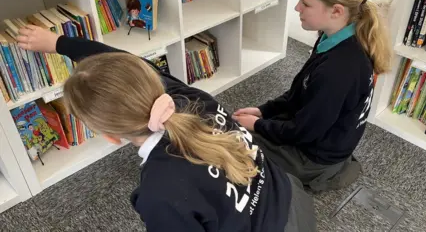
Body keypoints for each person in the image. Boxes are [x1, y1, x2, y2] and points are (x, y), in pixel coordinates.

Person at [15, 24, 316, 232]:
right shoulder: (190, 98)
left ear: (109, 135)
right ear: (149, 76)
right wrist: (59, 42)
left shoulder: (159, 194)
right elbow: (121, 60)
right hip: (290, 197)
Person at [233, 0, 393, 192]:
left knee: (234, 142)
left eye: (305, 3)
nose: (297, 7)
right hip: (317, 133)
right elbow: (300, 90)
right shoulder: (334, 36)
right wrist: (264, 111)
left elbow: (303, 132)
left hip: (314, 158)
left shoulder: (339, 71)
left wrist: (258, 125)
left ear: (336, 10)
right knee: (240, 130)